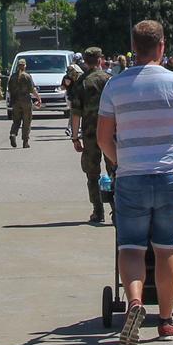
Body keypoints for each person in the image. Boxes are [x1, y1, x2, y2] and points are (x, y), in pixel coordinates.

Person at [98, 21, 173, 345]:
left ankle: (135, 301)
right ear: (161, 46)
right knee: (168, 247)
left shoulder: (115, 85)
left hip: (131, 176)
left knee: (130, 246)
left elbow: (103, 137)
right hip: (171, 176)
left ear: (134, 46)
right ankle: (167, 320)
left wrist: (120, 161)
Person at [67, 48, 110, 223]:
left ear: (85, 61)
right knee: (115, 170)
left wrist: (75, 137)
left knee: (92, 173)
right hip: (110, 133)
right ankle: (117, 209)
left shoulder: (81, 83)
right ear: (100, 60)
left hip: (90, 134)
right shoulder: (110, 81)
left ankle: (97, 211)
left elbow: (76, 113)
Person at [6, 57, 40, 148]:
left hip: (15, 101)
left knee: (16, 121)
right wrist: (38, 98)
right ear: (24, 66)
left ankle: (13, 134)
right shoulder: (27, 76)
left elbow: (9, 90)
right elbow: (32, 89)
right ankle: (25, 142)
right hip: (26, 102)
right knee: (26, 122)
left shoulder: (12, 77)